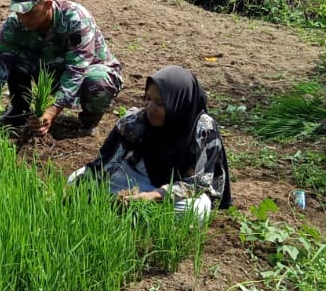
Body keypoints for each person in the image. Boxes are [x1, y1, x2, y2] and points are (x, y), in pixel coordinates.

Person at [69, 64, 232, 221]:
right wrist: (74, 190)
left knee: (197, 210)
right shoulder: (135, 122)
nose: (150, 107)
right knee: (75, 179)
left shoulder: (202, 129)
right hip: (139, 176)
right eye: (147, 98)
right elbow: (106, 162)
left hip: (179, 190)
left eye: (160, 103)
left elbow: (199, 182)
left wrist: (154, 196)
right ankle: (129, 209)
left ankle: (135, 212)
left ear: (179, 103)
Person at [0, 0, 123, 139]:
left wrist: (52, 112)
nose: (23, 18)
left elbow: (76, 70)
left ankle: (89, 122)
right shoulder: (16, 22)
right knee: (13, 57)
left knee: (98, 81)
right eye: (19, 12)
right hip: (49, 71)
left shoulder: (76, 18)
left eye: (29, 12)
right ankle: (19, 110)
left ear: (47, 4)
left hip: (85, 72)